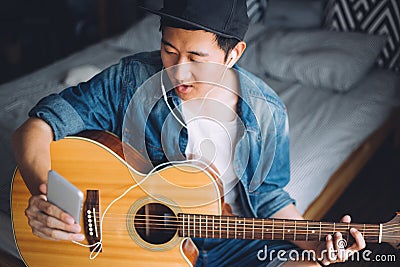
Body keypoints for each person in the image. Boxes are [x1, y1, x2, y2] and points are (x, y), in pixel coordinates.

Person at [12, 0, 366, 266]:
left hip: (233, 240)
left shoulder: (267, 111)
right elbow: (37, 127)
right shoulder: (131, 79)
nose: (179, 71)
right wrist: (46, 196)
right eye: (169, 50)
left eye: (196, 57)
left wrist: (316, 243)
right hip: (140, 241)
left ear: (233, 54)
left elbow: (270, 199)